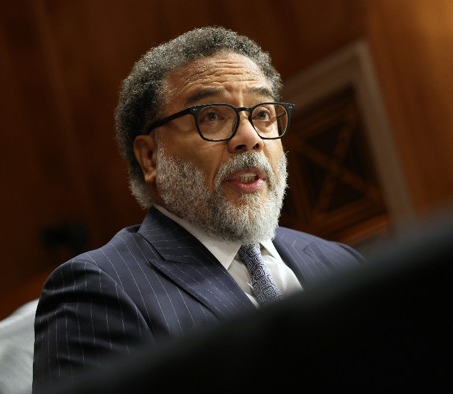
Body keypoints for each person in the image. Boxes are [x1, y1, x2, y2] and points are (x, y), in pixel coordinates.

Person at [32, 26, 363, 392]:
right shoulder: (97, 293)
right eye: (211, 117)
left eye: (263, 114)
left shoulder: (340, 262)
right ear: (150, 156)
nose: (249, 137)